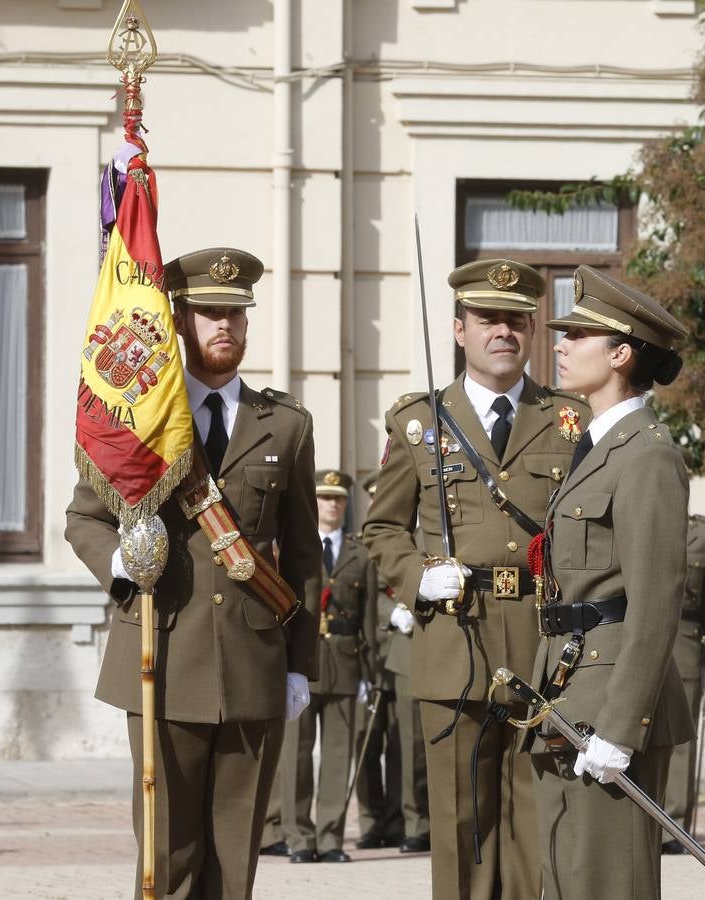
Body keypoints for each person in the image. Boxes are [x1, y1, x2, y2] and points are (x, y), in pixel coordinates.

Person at [65, 247, 320, 897]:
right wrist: (122, 564)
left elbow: (302, 555)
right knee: (168, 857)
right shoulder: (138, 417)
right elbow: (84, 519)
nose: (224, 325)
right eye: (209, 312)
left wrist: (300, 665)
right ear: (179, 320)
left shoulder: (286, 425)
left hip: (253, 662)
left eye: (235, 313)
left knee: (235, 865)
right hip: (163, 652)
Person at [363, 259, 587, 899]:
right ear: (459, 330)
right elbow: (382, 528)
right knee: (461, 817)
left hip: (543, 639)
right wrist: (417, 576)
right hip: (456, 637)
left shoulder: (569, 420)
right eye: (488, 319)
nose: (504, 332)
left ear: (532, 330)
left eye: (516, 320)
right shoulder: (419, 422)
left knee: (536, 816)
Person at [530, 264, 692, 900]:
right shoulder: (597, 447)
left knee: (607, 883)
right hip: (570, 689)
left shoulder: (647, 453)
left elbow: (655, 602)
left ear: (621, 354)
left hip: (611, 703)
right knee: (565, 880)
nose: (562, 345)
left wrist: (623, 727)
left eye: (578, 335)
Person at [280, 470, 375, 863]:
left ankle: (330, 838)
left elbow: (369, 617)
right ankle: (299, 838)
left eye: (338, 499)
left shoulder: (360, 553)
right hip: (301, 661)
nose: (332, 505)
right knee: (296, 755)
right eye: (324, 498)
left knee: (338, 755)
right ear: (313, 502)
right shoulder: (294, 548)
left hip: (345, 662)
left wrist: (369, 671)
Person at [660, 513, 705, 854]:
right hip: (633, 637)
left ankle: (673, 828)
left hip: (685, 643)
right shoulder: (635, 515)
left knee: (681, 739)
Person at [353, 470, 408, 851]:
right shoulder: (358, 546)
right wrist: (391, 613)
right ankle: (371, 821)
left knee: (405, 744)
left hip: (404, 654)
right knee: (368, 743)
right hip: (369, 655)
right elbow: (359, 599)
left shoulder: (411, 540)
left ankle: (403, 819)